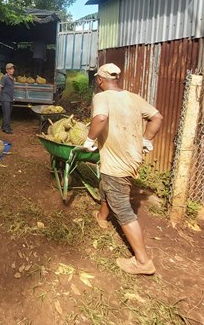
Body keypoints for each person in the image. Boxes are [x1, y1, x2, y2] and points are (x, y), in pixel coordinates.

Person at [81, 62, 163, 275]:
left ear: (100, 80)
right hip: (130, 158)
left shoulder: (102, 97)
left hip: (117, 162)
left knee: (122, 207)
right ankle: (101, 217)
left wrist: (90, 139)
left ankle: (143, 262)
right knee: (106, 185)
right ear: (116, 78)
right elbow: (157, 117)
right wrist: (146, 140)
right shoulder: (133, 97)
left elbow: (100, 118)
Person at [0, 63, 16, 134]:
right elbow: (0, 86)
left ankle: (4, 126)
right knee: (6, 113)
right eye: (10, 69)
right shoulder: (5, 77)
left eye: (12, 69)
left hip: (10, 98)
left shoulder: (12, 78)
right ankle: (6, 128)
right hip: (5, 98)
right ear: (7, 70)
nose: (12, 70)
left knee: (8, 113)